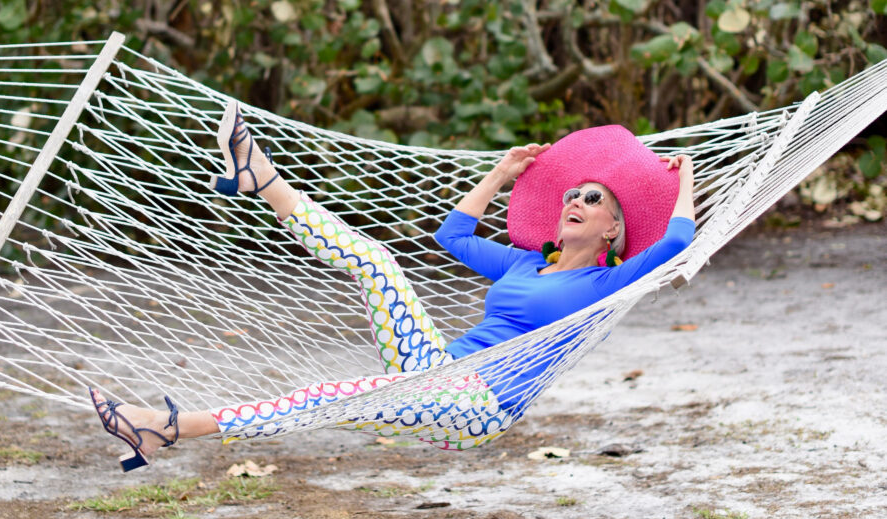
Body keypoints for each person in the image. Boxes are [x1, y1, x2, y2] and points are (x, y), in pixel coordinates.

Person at [91, 103, 696, 471]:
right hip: (438, 370)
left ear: (612, 227)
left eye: (592, 199)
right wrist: (501, 173)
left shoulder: (606, 283)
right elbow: (453, 235)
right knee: (377, 261)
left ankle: (171, 427)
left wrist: (684, 175)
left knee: (329, 396)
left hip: (478, 404)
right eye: (570, 194)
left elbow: (677, 241)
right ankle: (261, 180)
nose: (575, 201)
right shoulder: (522, 264)